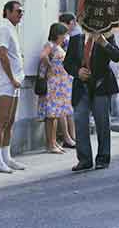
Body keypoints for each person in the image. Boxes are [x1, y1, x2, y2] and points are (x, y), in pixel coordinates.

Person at [64, 31, 119, 171]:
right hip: (81, 87)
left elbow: (116, 56)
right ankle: (84, 159)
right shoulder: (76, 38)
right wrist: (77, 72)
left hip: (100, 85)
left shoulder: (107, 36)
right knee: (80, 121)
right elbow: (67, 63)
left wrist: (104, 43)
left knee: (102, 123)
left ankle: (103, 158)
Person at [0, 1, 27, 173]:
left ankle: (7, 157)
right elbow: (2, 55)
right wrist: (11, 78)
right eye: (18, 11)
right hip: (6, 81)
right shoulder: (3, 29)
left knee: (10, 120)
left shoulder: (12, 29)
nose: (21, 14)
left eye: (22, 11)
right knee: (2, 120)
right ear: (7, 12)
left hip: (15, 81)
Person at [38, 23, 74, 154]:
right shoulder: (50, 45)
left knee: (55, 115)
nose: (65, 37)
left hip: (58, 85)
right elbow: (43, 56)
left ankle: (53, 143)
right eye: (64, 34)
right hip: (53, 84)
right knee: (51, 115)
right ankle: (50, 144)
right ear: (58, 34)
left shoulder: (57, 46)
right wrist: (51, 67)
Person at [57, 13, 79, 147]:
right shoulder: (65, 39)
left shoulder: (68, 38)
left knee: (68, 108)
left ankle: (72, 137)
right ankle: (69, 137)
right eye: (73, 22)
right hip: (63, 76)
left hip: (67, 76)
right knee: (65, 108)